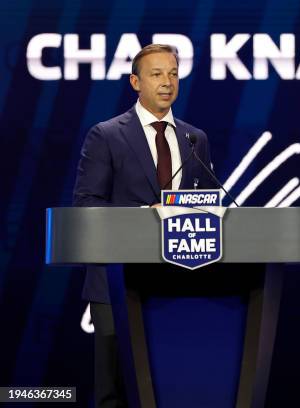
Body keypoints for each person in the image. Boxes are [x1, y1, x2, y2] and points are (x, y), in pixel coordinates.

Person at [73, 44, 215, 407]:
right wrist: (145, 215)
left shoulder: (194, 138)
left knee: (175, 385)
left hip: (181, 279)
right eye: (156, 75)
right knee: (114, 393)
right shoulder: (106, 135)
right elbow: (86, 206)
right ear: (136, 82)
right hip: (117, 281)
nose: (166, 82)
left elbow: (210, 204)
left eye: (173, 74)